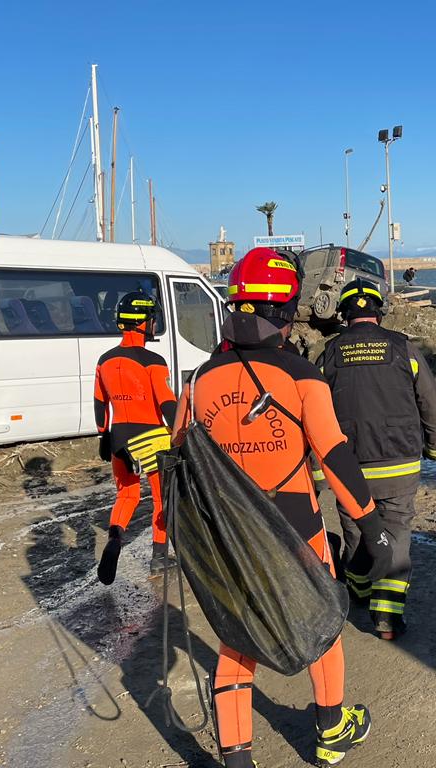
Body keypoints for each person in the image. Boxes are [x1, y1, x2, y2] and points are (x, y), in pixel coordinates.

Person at [172, 248, 393, 768]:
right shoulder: (301, 375)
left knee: (236, 636)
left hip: (229, 528)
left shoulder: (200, 379)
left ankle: (237, 757)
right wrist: (371, 523)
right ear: (286, 312)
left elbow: (179, 455)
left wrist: (171, 531)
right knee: (319, 624)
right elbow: (334, 454)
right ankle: (332, 730)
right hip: (294, 522)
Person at [317, 278, 436, 642]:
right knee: (396, 533)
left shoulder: (329, 353)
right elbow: (432, 405)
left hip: (348, 465)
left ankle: (358, 592)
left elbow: (312, 414)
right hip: (400, 463)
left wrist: (316, 474)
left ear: (343, 315)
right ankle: (387, 617)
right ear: (379, 310)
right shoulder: (403, 348)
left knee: (357, 530)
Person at [94, 291, 177, 585]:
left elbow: (100, 402)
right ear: (144, 322)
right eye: (152, 319)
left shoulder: (104, 361)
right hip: (152, 439)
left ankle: (115, 538)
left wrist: (104, 436)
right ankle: (159, 559)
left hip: (118, 438)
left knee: (127, 494)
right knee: (161, 499)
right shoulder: (153, 361)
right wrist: (181, 432)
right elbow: (167, 403)